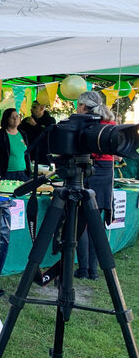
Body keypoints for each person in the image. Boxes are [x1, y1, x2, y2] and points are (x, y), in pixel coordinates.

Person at [74, 90, 117, 280]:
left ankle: (83, 269)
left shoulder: (87, 123)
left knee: (81, 223)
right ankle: (93, 270)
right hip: (107, 171)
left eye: (78, 105)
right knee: (96, 222)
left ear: (83, 106)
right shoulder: (111, 122)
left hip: (89, 168)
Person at [0, 107, 31, 181]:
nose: (15, 119)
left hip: (22, 173)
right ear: (6, 119)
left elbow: (27, 153)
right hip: (7, 174)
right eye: (12, 117)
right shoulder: (1, 134)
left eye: (17, 116)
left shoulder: (23, 133)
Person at [18, 100, 56, 166]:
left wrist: (35, 125)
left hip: (43, 154)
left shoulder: (50, 120)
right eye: (31, 107)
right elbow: (19, 133)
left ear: (41, 109)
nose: (31, 110)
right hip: (29, 153)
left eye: (34, 107)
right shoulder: (27, 120)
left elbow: (49, 135)